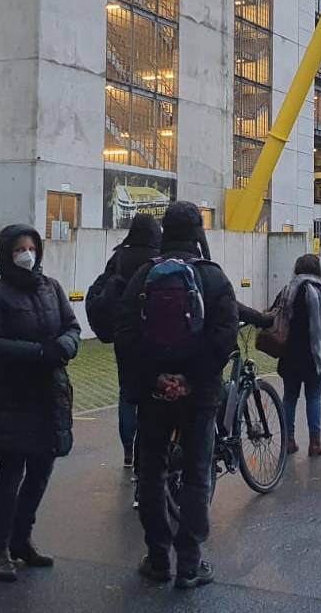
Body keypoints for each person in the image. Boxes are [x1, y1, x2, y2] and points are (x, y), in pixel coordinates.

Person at [116, 202, 239, 590]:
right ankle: (190, 563)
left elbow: (126, 335)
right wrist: (192, 379)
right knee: (197, 474)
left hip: (155, 396)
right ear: (198, 231)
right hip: (200, 394)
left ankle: (157, 558)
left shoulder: (143, 276)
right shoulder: (214, 278)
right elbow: (224, 338)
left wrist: (158, 379)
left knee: (151, 473)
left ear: (164, 231)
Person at [0, 224, 80, 581]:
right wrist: (38, 353)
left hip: (49, 395)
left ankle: (22, 539)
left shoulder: (52, 288)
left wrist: (63, 347)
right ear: (7, 253)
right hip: (12, 396)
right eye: (19, 248)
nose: (26, 254)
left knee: (40, 471)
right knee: (10, 474)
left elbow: (72, 327)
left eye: (31, 247)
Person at [86, 214, 162, 472]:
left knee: (127, 393)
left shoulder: (119, 257)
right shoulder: (159, 257)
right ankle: (146, 448)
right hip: (154, 335)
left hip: (124, 335)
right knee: (153, 393)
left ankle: (128, 451)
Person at [276, 254, 321, 455]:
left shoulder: (287, 292)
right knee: (313, 397)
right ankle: (314, 443)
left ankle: (288, 440)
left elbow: (275, 318)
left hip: (289, 355)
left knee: (289, 397)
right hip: (314, 357)